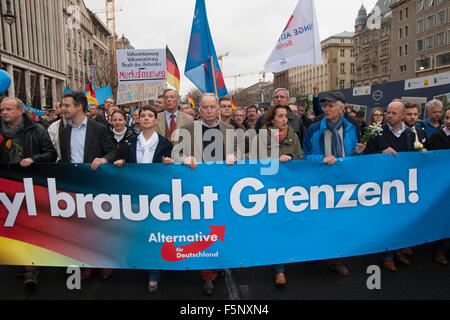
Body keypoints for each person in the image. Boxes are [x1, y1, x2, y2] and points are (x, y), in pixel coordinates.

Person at [168, 93, 238, 295]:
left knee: (223, 227)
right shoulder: (188, 129)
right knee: (205, 230)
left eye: (212, 107)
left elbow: (242, 152)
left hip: (225, 189)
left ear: (218, 108)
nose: (209, 110)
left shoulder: (229, 129)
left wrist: (235, 155)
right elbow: (175, 154)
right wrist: (184, 158)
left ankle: (220, 263)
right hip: (198, 190)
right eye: (205, 107)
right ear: (199, 109)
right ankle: (208, 274)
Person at [303, 92, 365, 276]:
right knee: (318, 219)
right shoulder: (314, 129)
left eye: (330, 106)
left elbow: (353, 157)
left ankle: (337, 260)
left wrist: (358, 152)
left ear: (341, 109)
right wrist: (322, 159)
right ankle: (314, 252)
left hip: (344, 182)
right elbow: (304, 155)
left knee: (341, 221)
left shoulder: (352, 128)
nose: (326, 109)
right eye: (325, 106)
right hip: (320, 182)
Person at [59, 91, 119, 280]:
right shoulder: (64, 131)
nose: (63, 109)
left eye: (66, 105)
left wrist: (103, 159)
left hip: (97, 184)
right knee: (81, 227)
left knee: (101, 226)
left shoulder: (98, 129)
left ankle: (106, 262)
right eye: (62, 105)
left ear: (79, 107)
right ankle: (87, 264)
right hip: (75, 185)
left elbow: (112, 152)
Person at [0, 97, 57, 288]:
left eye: (8, 109)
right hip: (6, 184)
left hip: (30, 185)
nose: (4, 113)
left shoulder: (37, 130)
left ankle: (31, 270)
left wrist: (34, 159)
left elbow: (51, 154)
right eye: (2, 110)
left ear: (20, 111)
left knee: (30, 225)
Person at [114, 106, 172, 292]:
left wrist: (169, 164)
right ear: (138, 119)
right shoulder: (129, 142)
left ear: (155, 120)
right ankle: (142, 265)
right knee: (139, 234)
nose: (146, 118)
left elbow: (173, 170)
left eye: (150, 116)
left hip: (157, 197)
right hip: (136, 196)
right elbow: (121, 160)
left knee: (156, 234)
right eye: (143, 116)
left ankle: (154, 274)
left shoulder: (165, 144)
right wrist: (120, 163)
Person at [252, 104, 303, 287]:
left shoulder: (294, 136)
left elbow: (300, 161)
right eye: (280, 116)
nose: (283, 119)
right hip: (268, 190)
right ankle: (279, 269)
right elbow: (254, 164)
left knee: (286, 227)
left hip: (289, 190)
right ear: (271, 119)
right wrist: (274, 162)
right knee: (274, 228)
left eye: (286, 117)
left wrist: (291, 160)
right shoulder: (260, 137)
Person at [363, 101, 418, 272]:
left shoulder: (409, 134)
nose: (389, 115)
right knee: (385, 221)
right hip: (382, 185)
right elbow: (366, 156)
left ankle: (399, 250)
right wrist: (381, 154)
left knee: (400, 220)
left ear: (402, 116)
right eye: (388, 112)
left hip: (402, 186)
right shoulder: (376, 132)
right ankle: (387, 255)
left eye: (394, 113)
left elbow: (413, 158)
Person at [427, 108, 450, 265]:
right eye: (447, 117)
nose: (448, 121)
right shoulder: (437, 136)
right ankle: (439, 251)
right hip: (441, 184)